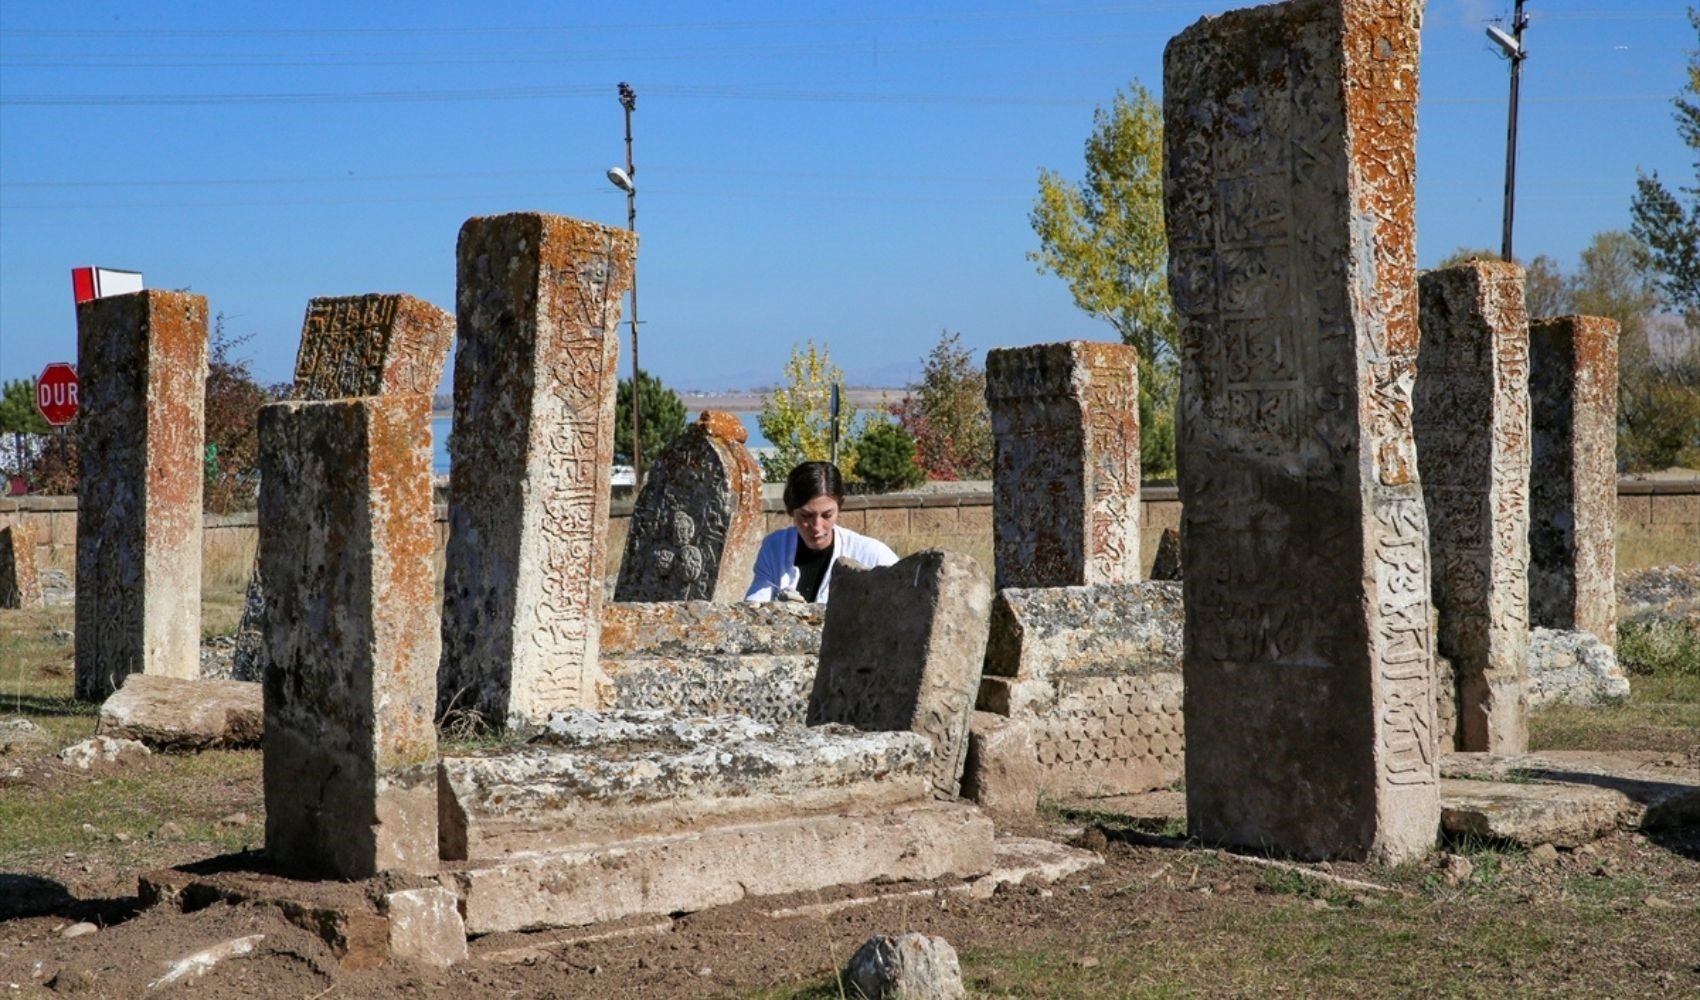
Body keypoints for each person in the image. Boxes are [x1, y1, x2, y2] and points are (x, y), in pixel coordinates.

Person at [745, 461, 899, 603]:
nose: (817, 526)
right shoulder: (775, 548)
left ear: (840, 508)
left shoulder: (872, 555)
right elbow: (755, 606)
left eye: (827, 515)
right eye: (806, 516)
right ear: (791, 510)